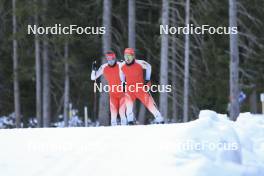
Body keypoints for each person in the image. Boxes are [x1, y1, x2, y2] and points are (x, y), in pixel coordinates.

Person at [119, 48, 164, 124]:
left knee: (149, 104)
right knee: (128, 107)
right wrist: (123, 83)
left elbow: (149, 66)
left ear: (133, 56)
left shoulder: (139, 63)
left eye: (129, 56)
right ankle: (130, 121)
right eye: (126, 56)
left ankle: (160, 119)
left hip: (140, 88)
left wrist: (147, 80)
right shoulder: (122, 65)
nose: (127, 58)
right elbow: (121, 73)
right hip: (129, 89)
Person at [91, 51, 127, 126]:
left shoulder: (120, 65)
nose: (110, 61)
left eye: (112, 59)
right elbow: (93, 77)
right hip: (113, 94)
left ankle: (125, 130)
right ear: (107, 59)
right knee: (113, 115)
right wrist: (93, 70)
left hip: (122, 94)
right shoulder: (104, 67)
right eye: (109, 59)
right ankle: (113, 133)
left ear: (115, 58)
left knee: (122, 112)